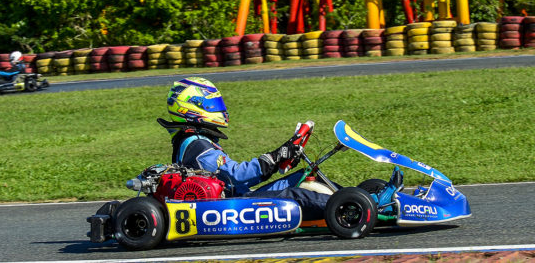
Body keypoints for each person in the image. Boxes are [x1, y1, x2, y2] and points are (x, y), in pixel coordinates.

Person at [157, 77, 400, 222]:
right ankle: (363, 209)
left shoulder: (195, 140)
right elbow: (235, 175)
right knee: (295, 195)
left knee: (302, 178)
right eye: (213, 104)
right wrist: (274, 158)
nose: (220, 109)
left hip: (238, 195)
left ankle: (360, 197)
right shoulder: (196, 145)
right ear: (193, 108)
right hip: (233, 206)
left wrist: (284, 155)